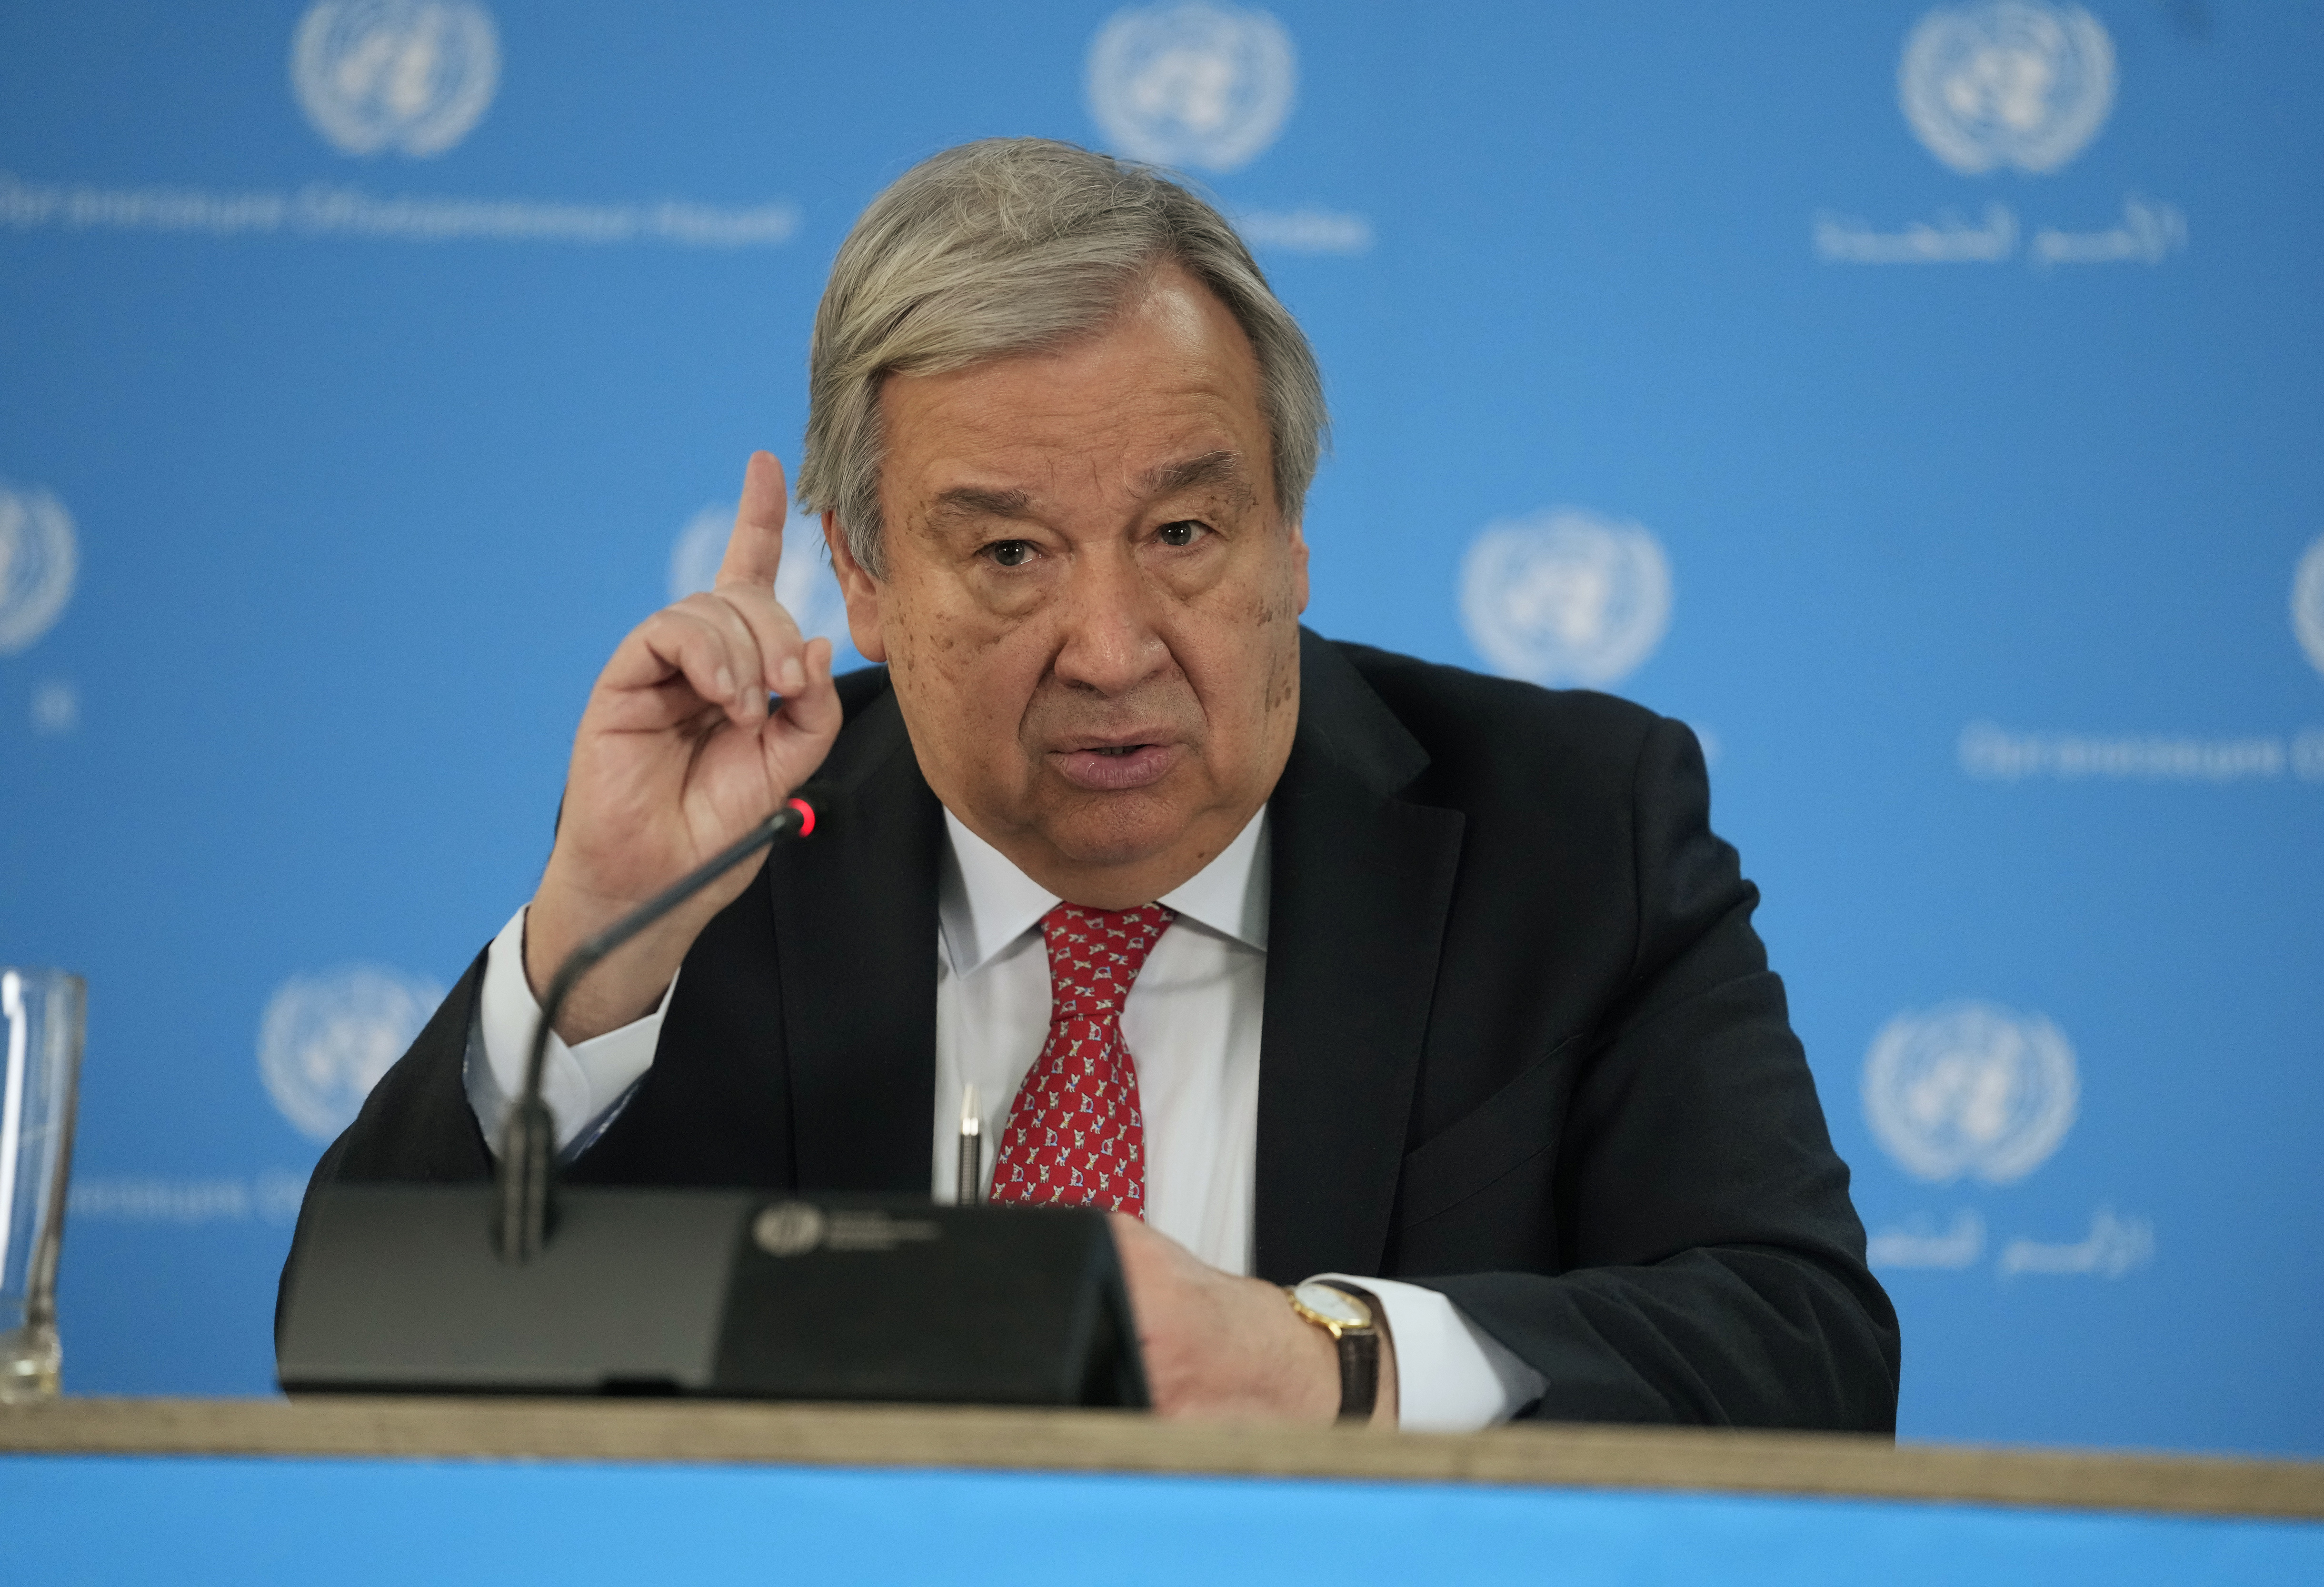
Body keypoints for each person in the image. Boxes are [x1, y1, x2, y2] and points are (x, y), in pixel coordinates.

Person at [293, 138, 1898, 1432]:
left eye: (1186, 535)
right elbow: (351, 1340)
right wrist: (598, 939)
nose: (1114, 647)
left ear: (1290, 535)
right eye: (1006, 553)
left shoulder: (1573, 827)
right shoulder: (731, 859)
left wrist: (1331, 1365)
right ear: (859, 577)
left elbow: (1811, 1355)